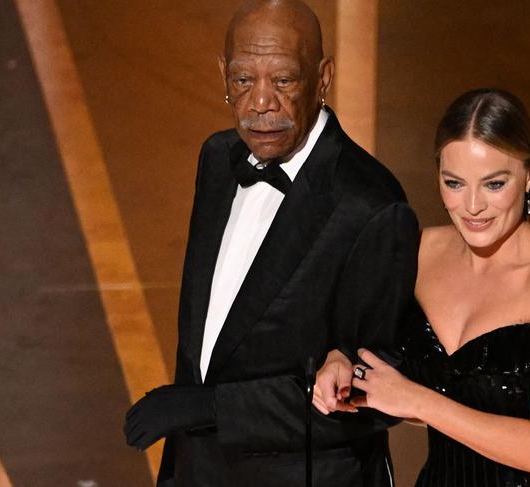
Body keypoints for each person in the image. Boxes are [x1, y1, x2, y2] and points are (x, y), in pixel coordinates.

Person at [123, 1, 419, 486]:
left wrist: (207, 407)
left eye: (283, 81)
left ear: (322, 78)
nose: (261, 102)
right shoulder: (219, 159)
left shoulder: (372, 207)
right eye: (243, 80)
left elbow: (373, 397)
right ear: (223, 74)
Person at [315, 88, 530, 486]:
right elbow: (383, 370)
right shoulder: (419, 252)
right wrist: (342, 367)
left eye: (494, 184)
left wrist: (420, 401)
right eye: (455, 183)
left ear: (529, 176)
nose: (473, 206)